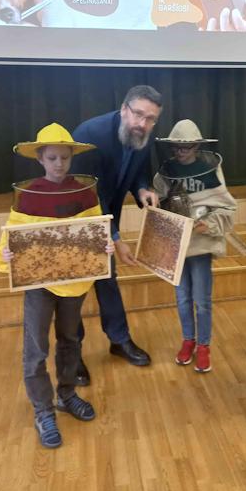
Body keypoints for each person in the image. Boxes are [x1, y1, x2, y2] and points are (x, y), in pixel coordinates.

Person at [0, 123, 114, 448]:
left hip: (73, 283)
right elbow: (11, 237)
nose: (59, 164)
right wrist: (7, 252)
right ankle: (43, 410)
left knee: (70, 340)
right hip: (39, 286)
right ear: (40, 159)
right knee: (36, 349)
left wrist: (104, 245)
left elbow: (95, 230)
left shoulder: (84, 192)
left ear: (72, 157)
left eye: (64, 157)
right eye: (52, 158)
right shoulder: (29, 195)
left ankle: (66, 394)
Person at [71, 85, 162, 382]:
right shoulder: (89, 135)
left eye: (150, 119)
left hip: (107, 216)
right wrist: (116, 238)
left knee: (108, 281)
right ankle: (71, 354)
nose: (143, 124)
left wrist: (143, 189)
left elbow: (138, 170)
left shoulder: (143, 136)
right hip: (77, 220)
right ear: (124, 109)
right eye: (138, 114)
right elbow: (88, 194)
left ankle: (119, 341)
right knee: (74, 292)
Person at [153, 120, 236, 373]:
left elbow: (225, 206)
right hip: (177, 246)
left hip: (200, 246)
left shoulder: (210, 170)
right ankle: (188, 340)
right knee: (182, 298)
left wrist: (206, 224)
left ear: (197, 146)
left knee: (202, 300)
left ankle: (203, 346)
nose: (181, 152)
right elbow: (157, 203)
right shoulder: (166, 171)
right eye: (177, 147)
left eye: (186, 147)